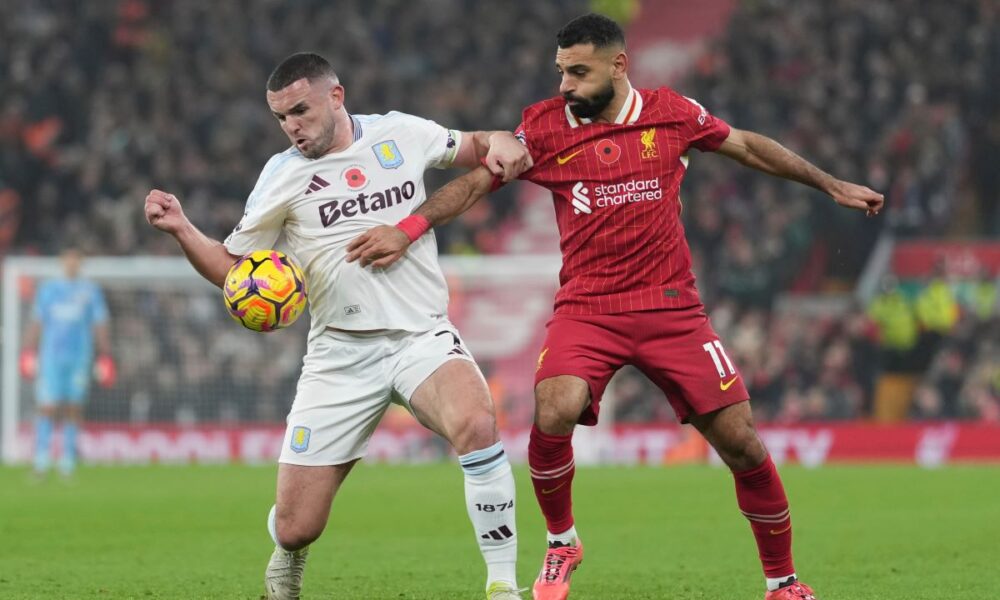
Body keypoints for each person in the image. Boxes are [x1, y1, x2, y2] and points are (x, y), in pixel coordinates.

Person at [346, 14, 885, 600]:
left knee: (742, 443)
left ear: (618, 65)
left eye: (578, 72)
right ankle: (561, 543)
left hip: (672, 308)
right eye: (561, 72)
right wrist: (409, 226)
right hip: (589, 307)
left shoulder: (671, 113)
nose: (565, 86)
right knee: (553, 406)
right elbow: (478, 182)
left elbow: (747, 146)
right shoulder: (545, 127)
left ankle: (783, 582)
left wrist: (830, 184)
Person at [144, 52, 533, 600]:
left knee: (477, 424)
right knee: (297, 524)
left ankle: (503, 586)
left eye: (300, 110)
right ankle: (287, 553)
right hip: (339, 354)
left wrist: (501, 139)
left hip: (421, 335)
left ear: (336, 96)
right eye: (281, 117)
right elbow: (235, 273)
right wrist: (182, 229)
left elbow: (477, 144)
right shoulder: (281, 176)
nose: (292, 127)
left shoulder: (403, 133)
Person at [20, 248, 115, 478]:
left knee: (73, 407)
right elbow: (37, 322)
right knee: (47, 406)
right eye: (68, 261)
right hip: (51, 357)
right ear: (62, 263)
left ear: (80, 264)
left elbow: (100, 324)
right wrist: (27, 351)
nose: (72, 265)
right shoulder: (49, 290)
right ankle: (41, 460)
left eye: (76, 261)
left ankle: (68, 460)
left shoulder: (90, 291)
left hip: (79, 357)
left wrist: (105, 355)